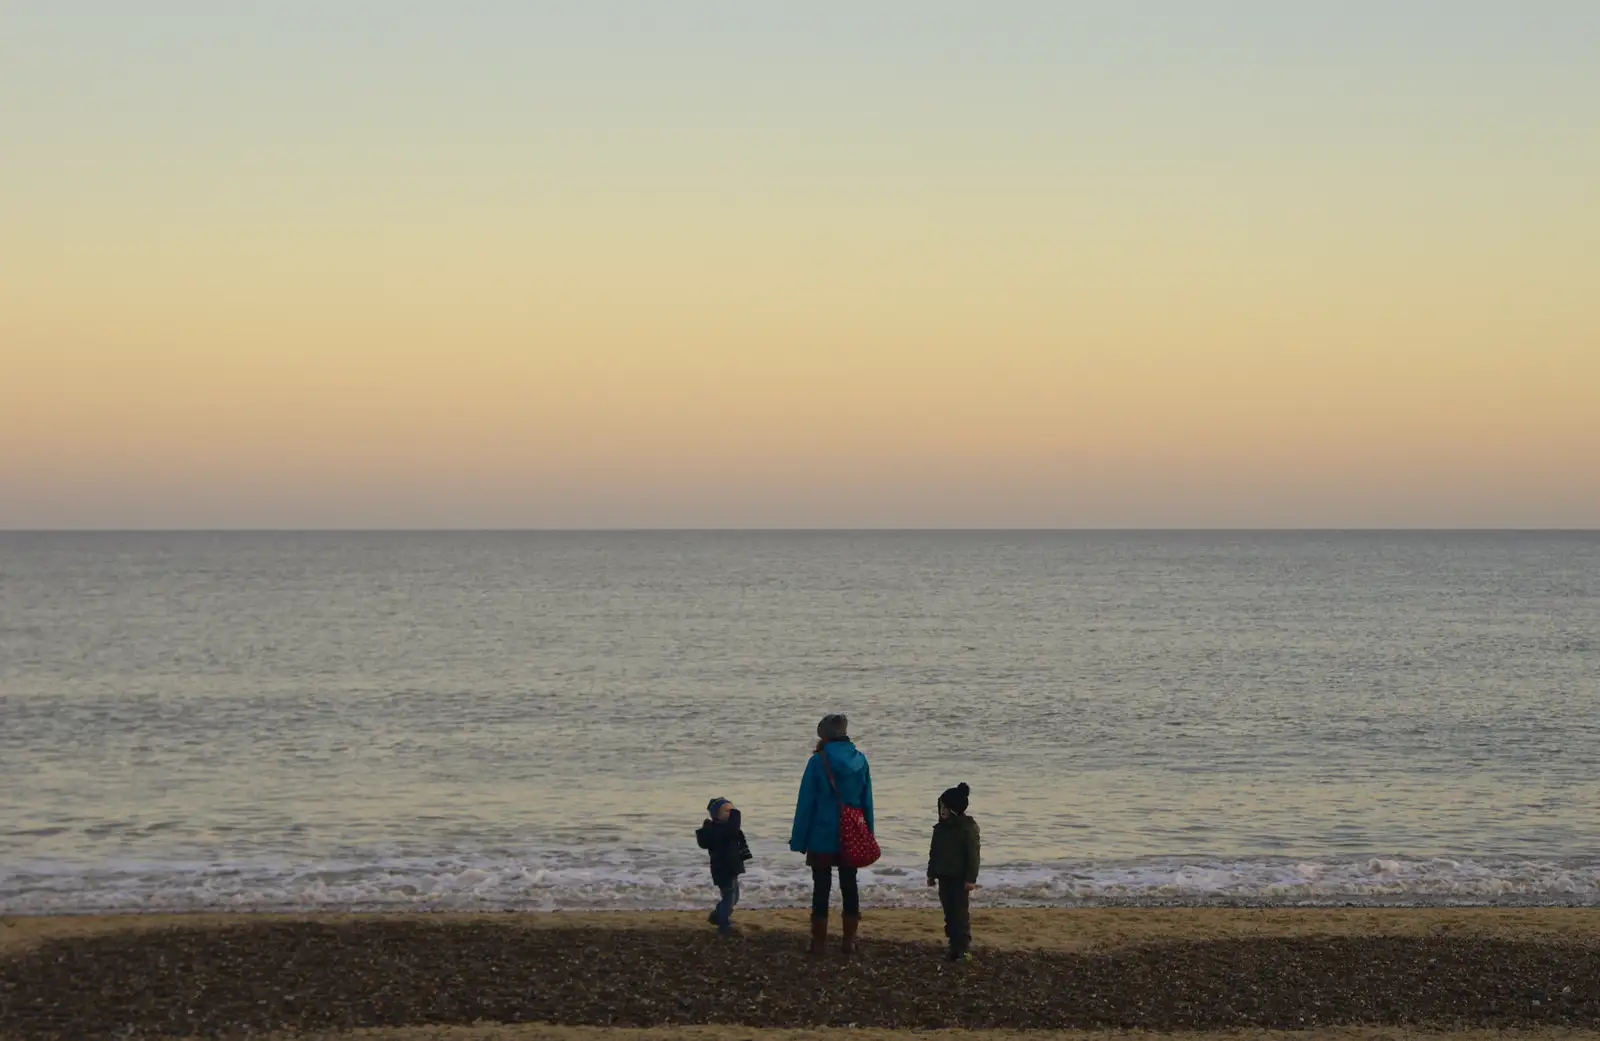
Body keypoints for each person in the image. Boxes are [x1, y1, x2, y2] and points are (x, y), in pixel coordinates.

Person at [789, 713, 874, 957]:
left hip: (821, 834)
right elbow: (866, 801)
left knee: (821, 888)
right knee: (850, 885)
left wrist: (799, 839)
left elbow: (806, 803)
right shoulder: (860, 760)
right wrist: (868, 832)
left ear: (823, 735)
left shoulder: (818, 762)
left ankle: (819, 944)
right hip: (852, 832)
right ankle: (848, 941)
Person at [926, 782, 980, 961]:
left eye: (945, 807)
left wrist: (971, 879)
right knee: (949, 913)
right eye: (940, 806)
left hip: (959, 878)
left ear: (954, 809)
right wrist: (931, 873)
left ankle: (963, 948)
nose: (942, 810)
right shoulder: (940, 829)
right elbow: (934, 852)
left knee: (960, 913)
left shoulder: (967, 829)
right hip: (943, 876)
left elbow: (973, 855)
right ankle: (953, 945)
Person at [696, 797, 751, 936]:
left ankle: (716, 915)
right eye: (728, 810)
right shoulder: (719, 830)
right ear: (717, 815)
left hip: (730, 868)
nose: (732, 813)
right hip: (723, 870)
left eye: (732, 809)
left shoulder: (724, 829)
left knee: (734, 897)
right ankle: (723, 924)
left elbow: (733, 829)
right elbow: (733, 828)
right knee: (729, 897)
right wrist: (736, 813)